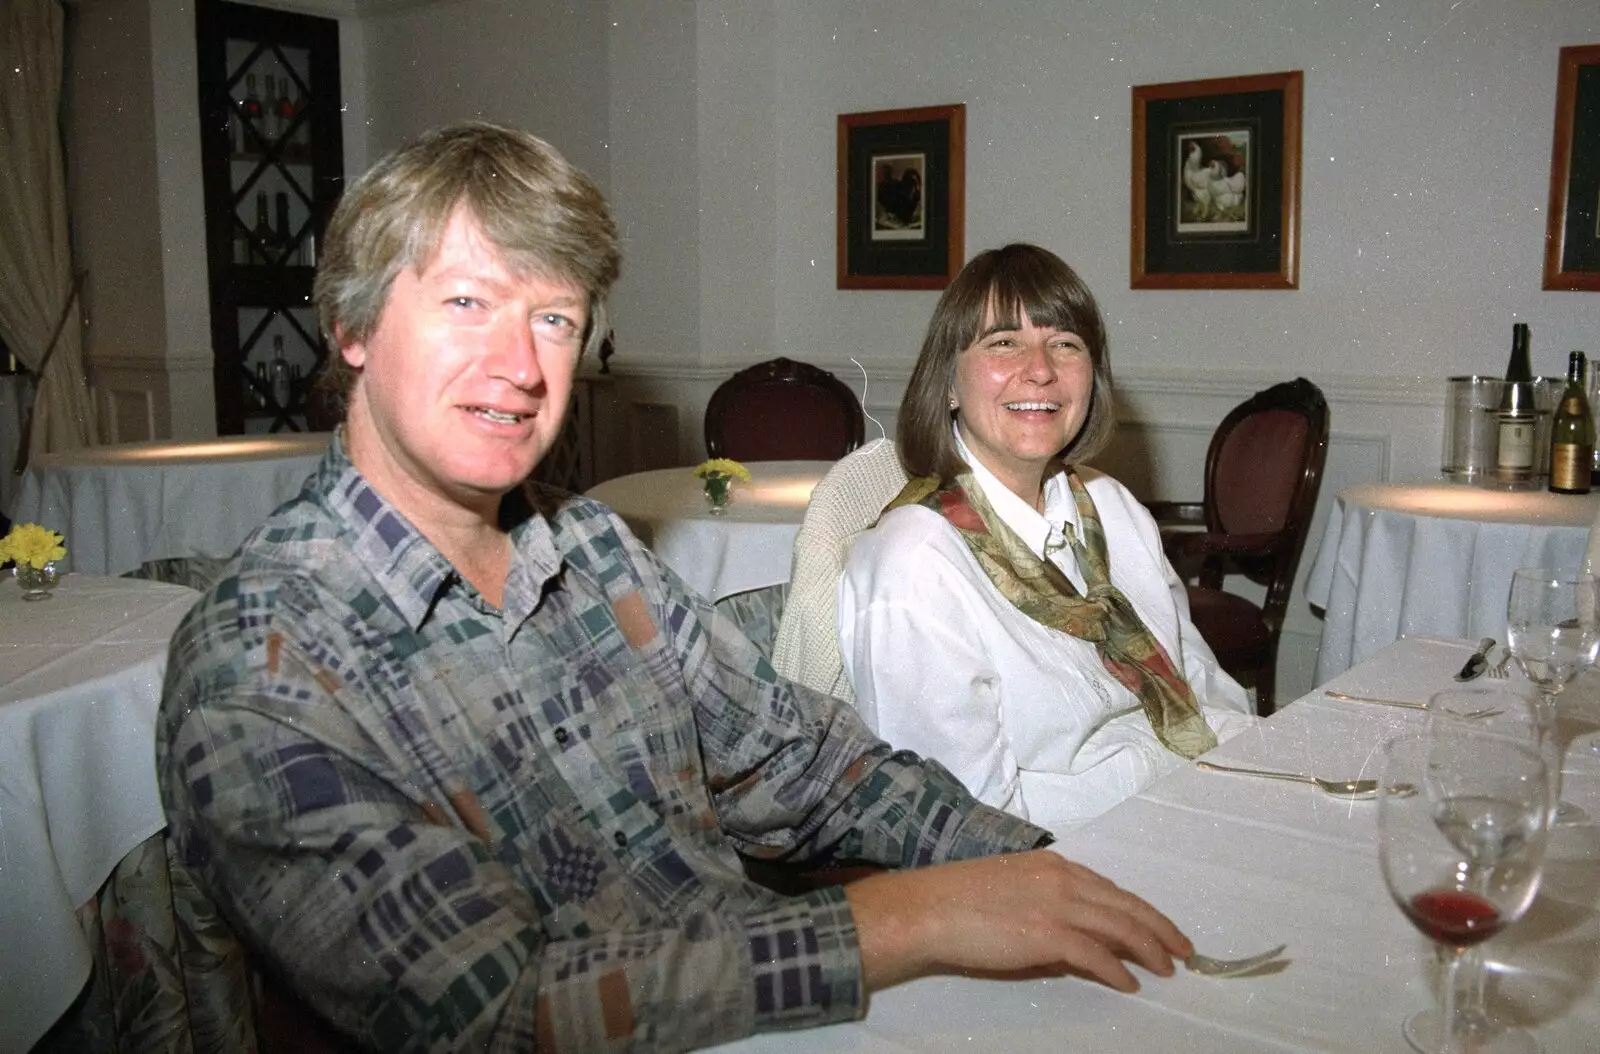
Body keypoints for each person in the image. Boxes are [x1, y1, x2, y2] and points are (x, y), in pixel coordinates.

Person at [156, 128, 1199, 1052]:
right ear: (353, 327)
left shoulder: (593, 549)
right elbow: (496, 1009)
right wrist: (912, 918)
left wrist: (1030, 863)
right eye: (466, 301)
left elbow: (806, 762)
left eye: (555, 319)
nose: (519, 365)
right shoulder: (260, 656)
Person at [838, 243, 1254, 831]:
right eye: (1003, 342)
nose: (1041, 368)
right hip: (1068, 865)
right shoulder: (915, 562)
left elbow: (1201, 684)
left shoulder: (1112, 507)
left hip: (1193, 808)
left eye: (1066, 343)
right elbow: (966, 830)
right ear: (948, 383)